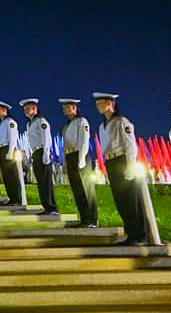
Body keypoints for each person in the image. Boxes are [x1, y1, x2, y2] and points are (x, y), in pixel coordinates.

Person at [93, 92, 149, 245]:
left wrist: (130, 166)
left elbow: (130, 145)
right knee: (120, 200)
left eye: (100, 103)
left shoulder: (121, 121)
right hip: (111, 162)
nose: (97, 106)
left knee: (131, 199)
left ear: (110, 103)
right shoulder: (102, 125)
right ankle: (130, 233)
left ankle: (139, 235)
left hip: (122, 160)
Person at [58, 98, 97, 228]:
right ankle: (84, 217)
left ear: (75, 108)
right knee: (77, 189)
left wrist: (81, 160)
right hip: (70, 156)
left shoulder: (81, 121)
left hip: (80, 155)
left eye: (68, 107)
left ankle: (91, 219)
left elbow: (84, 141)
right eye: (64, 108)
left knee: (86, 189)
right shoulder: (66, 126)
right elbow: (64, 146)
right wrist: (64, 163)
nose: (66, 110)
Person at [20, 98, 59, 216]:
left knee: (46, 181)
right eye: (24, 109)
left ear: (35, 108)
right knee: (41, 181)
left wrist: (46, 155)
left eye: (28, 108)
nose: (26, 111)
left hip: (42, 151)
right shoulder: (30, 123)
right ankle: (46, 206)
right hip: (35, 153)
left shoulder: (41, 121)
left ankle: (52, 207)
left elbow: (46, 138)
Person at [0, 101, 21, 205]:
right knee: (6, 176)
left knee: (12, 175)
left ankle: (17, 199)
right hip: (2, 150)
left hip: (8, 149)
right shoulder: (0, 124)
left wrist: (10, 151)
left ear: (5, 110)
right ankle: (12, 198)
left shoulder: (10, 122)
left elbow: (13, 138)